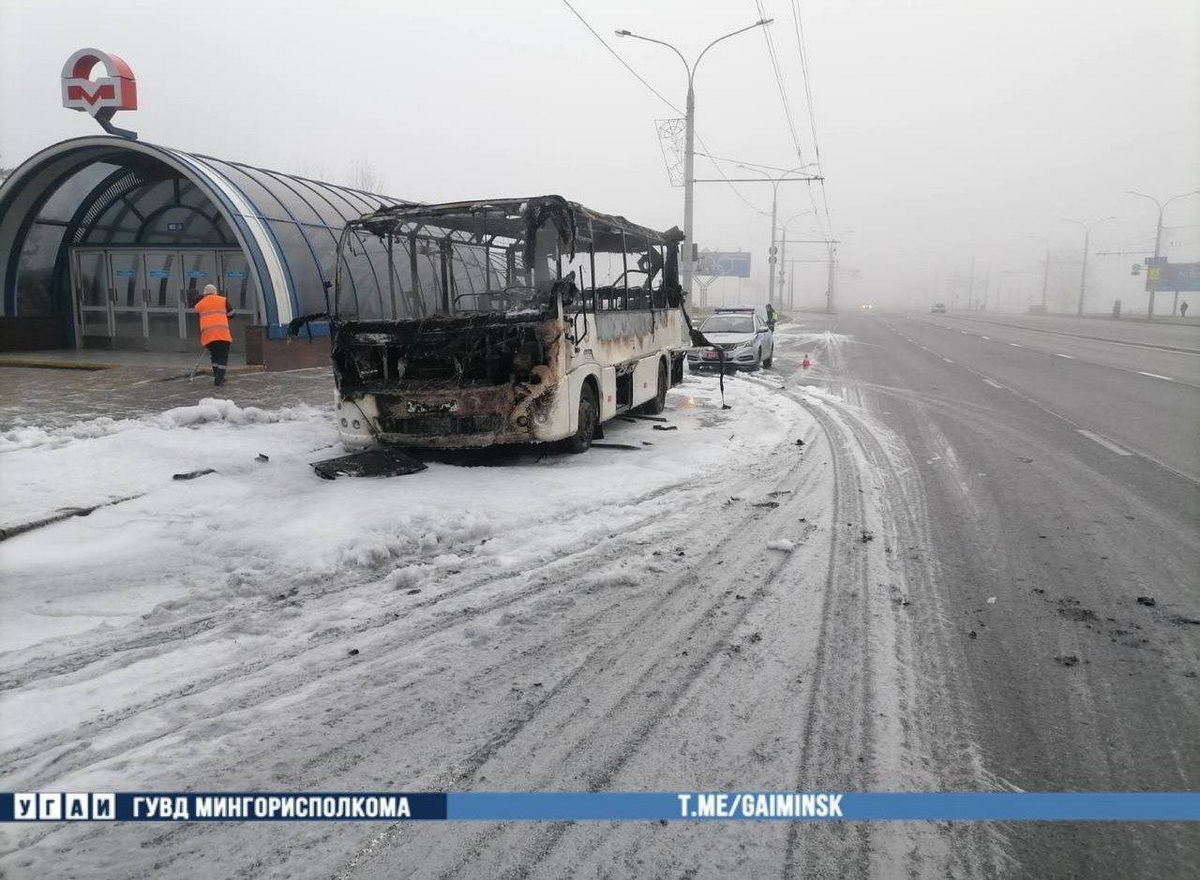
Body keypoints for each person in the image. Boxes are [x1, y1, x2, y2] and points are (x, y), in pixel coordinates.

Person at [194, 284, 234, 386]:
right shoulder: (222, 300)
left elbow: (199, 315)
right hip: (222, 334)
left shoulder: (199, 304)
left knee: (214, 357)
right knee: (222, 357)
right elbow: (232, 314)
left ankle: (217, 375)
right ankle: (219, 379)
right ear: (215, 292)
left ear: (205, 293)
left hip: (208, 335)